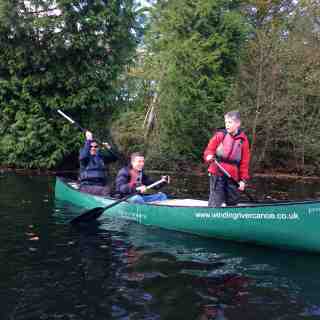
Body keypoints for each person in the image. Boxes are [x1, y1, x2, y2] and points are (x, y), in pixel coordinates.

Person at [203, 111, 250, 207]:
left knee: (232, 201)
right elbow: (209, 150)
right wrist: (209, 156)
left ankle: (230, 218)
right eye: (226, 122)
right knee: (216, 199)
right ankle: (212, 215)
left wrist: (243, 180)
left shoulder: (243, 140)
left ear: (238, 124)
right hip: (217, 171)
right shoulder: (220, 135)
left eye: (230, 122)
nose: (227, 125)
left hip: (233, 175)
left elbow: (244, 163)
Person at [79, 130, 118, 196]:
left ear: (98, 148)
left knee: (113, 191)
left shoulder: (101, 158)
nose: (93, 148)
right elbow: (83, 156)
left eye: (95, 147)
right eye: (91, 147)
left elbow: (115, 157)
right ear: (88, 147)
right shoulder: (84, 158)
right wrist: (88, 140)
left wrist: (109, 148)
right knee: (106, 190)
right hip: (87, 186)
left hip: (100, 186)